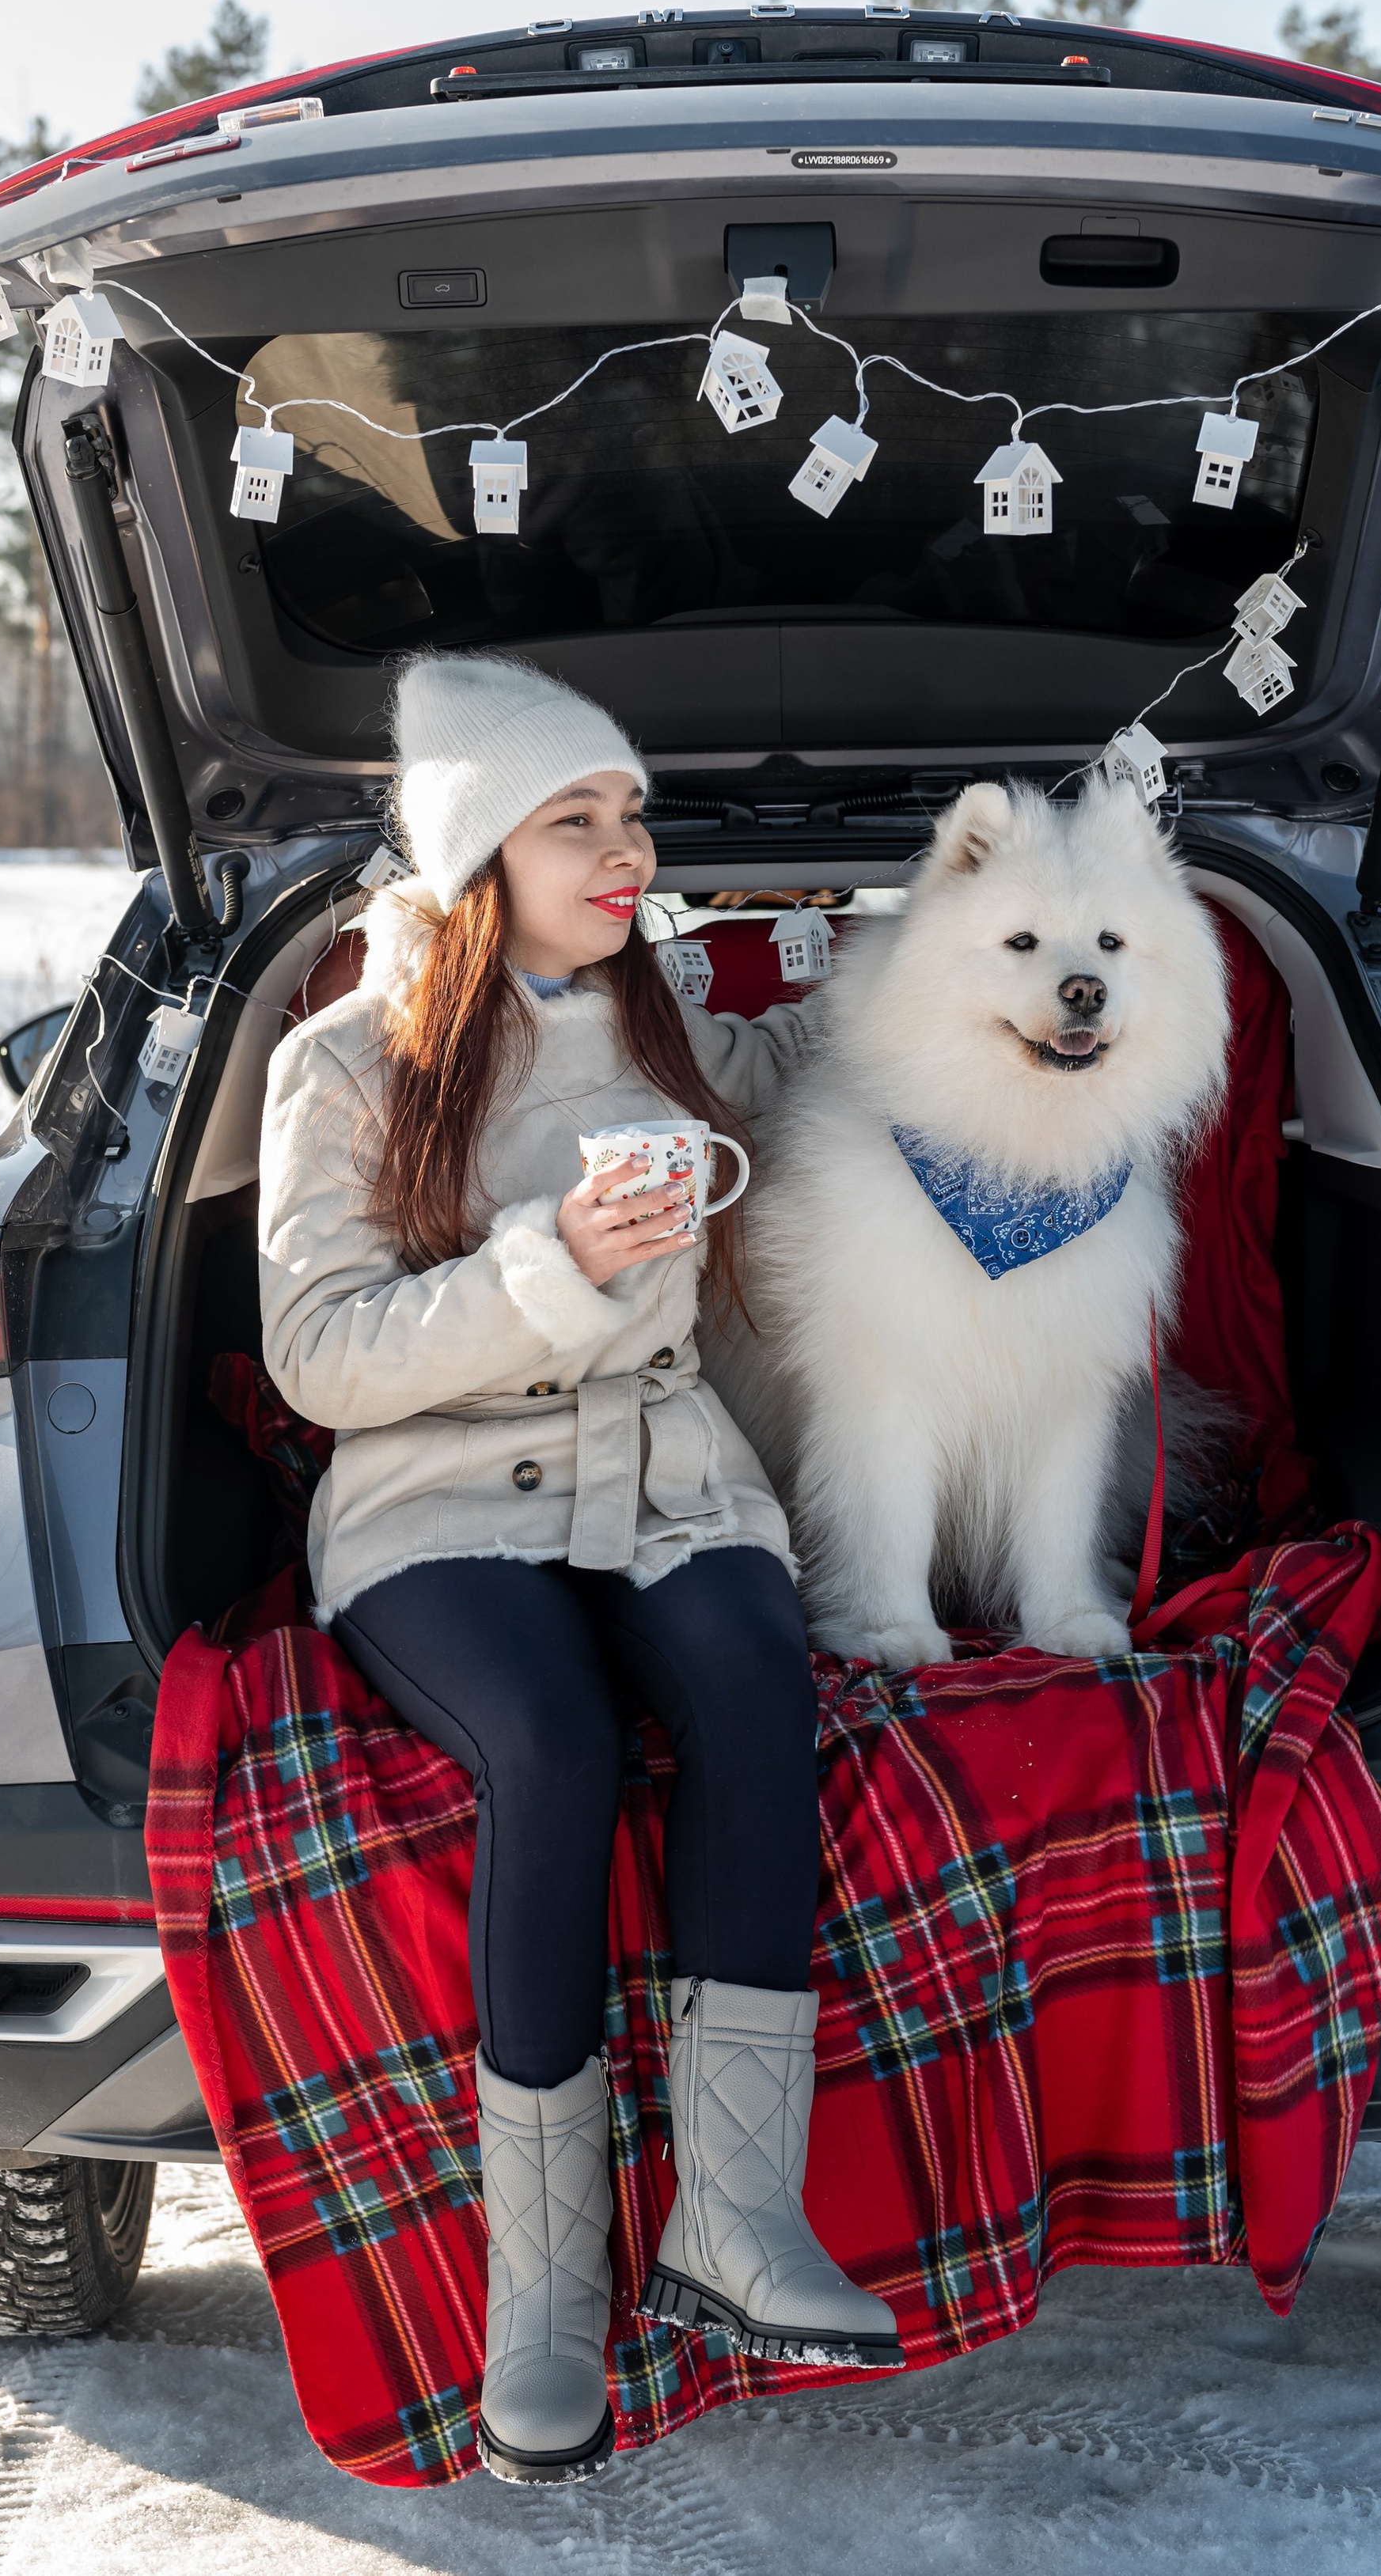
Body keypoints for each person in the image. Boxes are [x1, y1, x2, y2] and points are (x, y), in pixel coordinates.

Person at [256, 653, 897, 2486]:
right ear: (480, 858)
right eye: (577, 820)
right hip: (436, 1496)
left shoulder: (671, 1017)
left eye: (632, 816)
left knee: (755, 1671)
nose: (626, 851)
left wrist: (912, 945)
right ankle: (537, 2302)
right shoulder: (344, 1063)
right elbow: (322, 1356)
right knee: (549, 1741)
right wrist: (552, 1262)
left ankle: (736, 2221)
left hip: (668, 1474)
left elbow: (817, 1078)